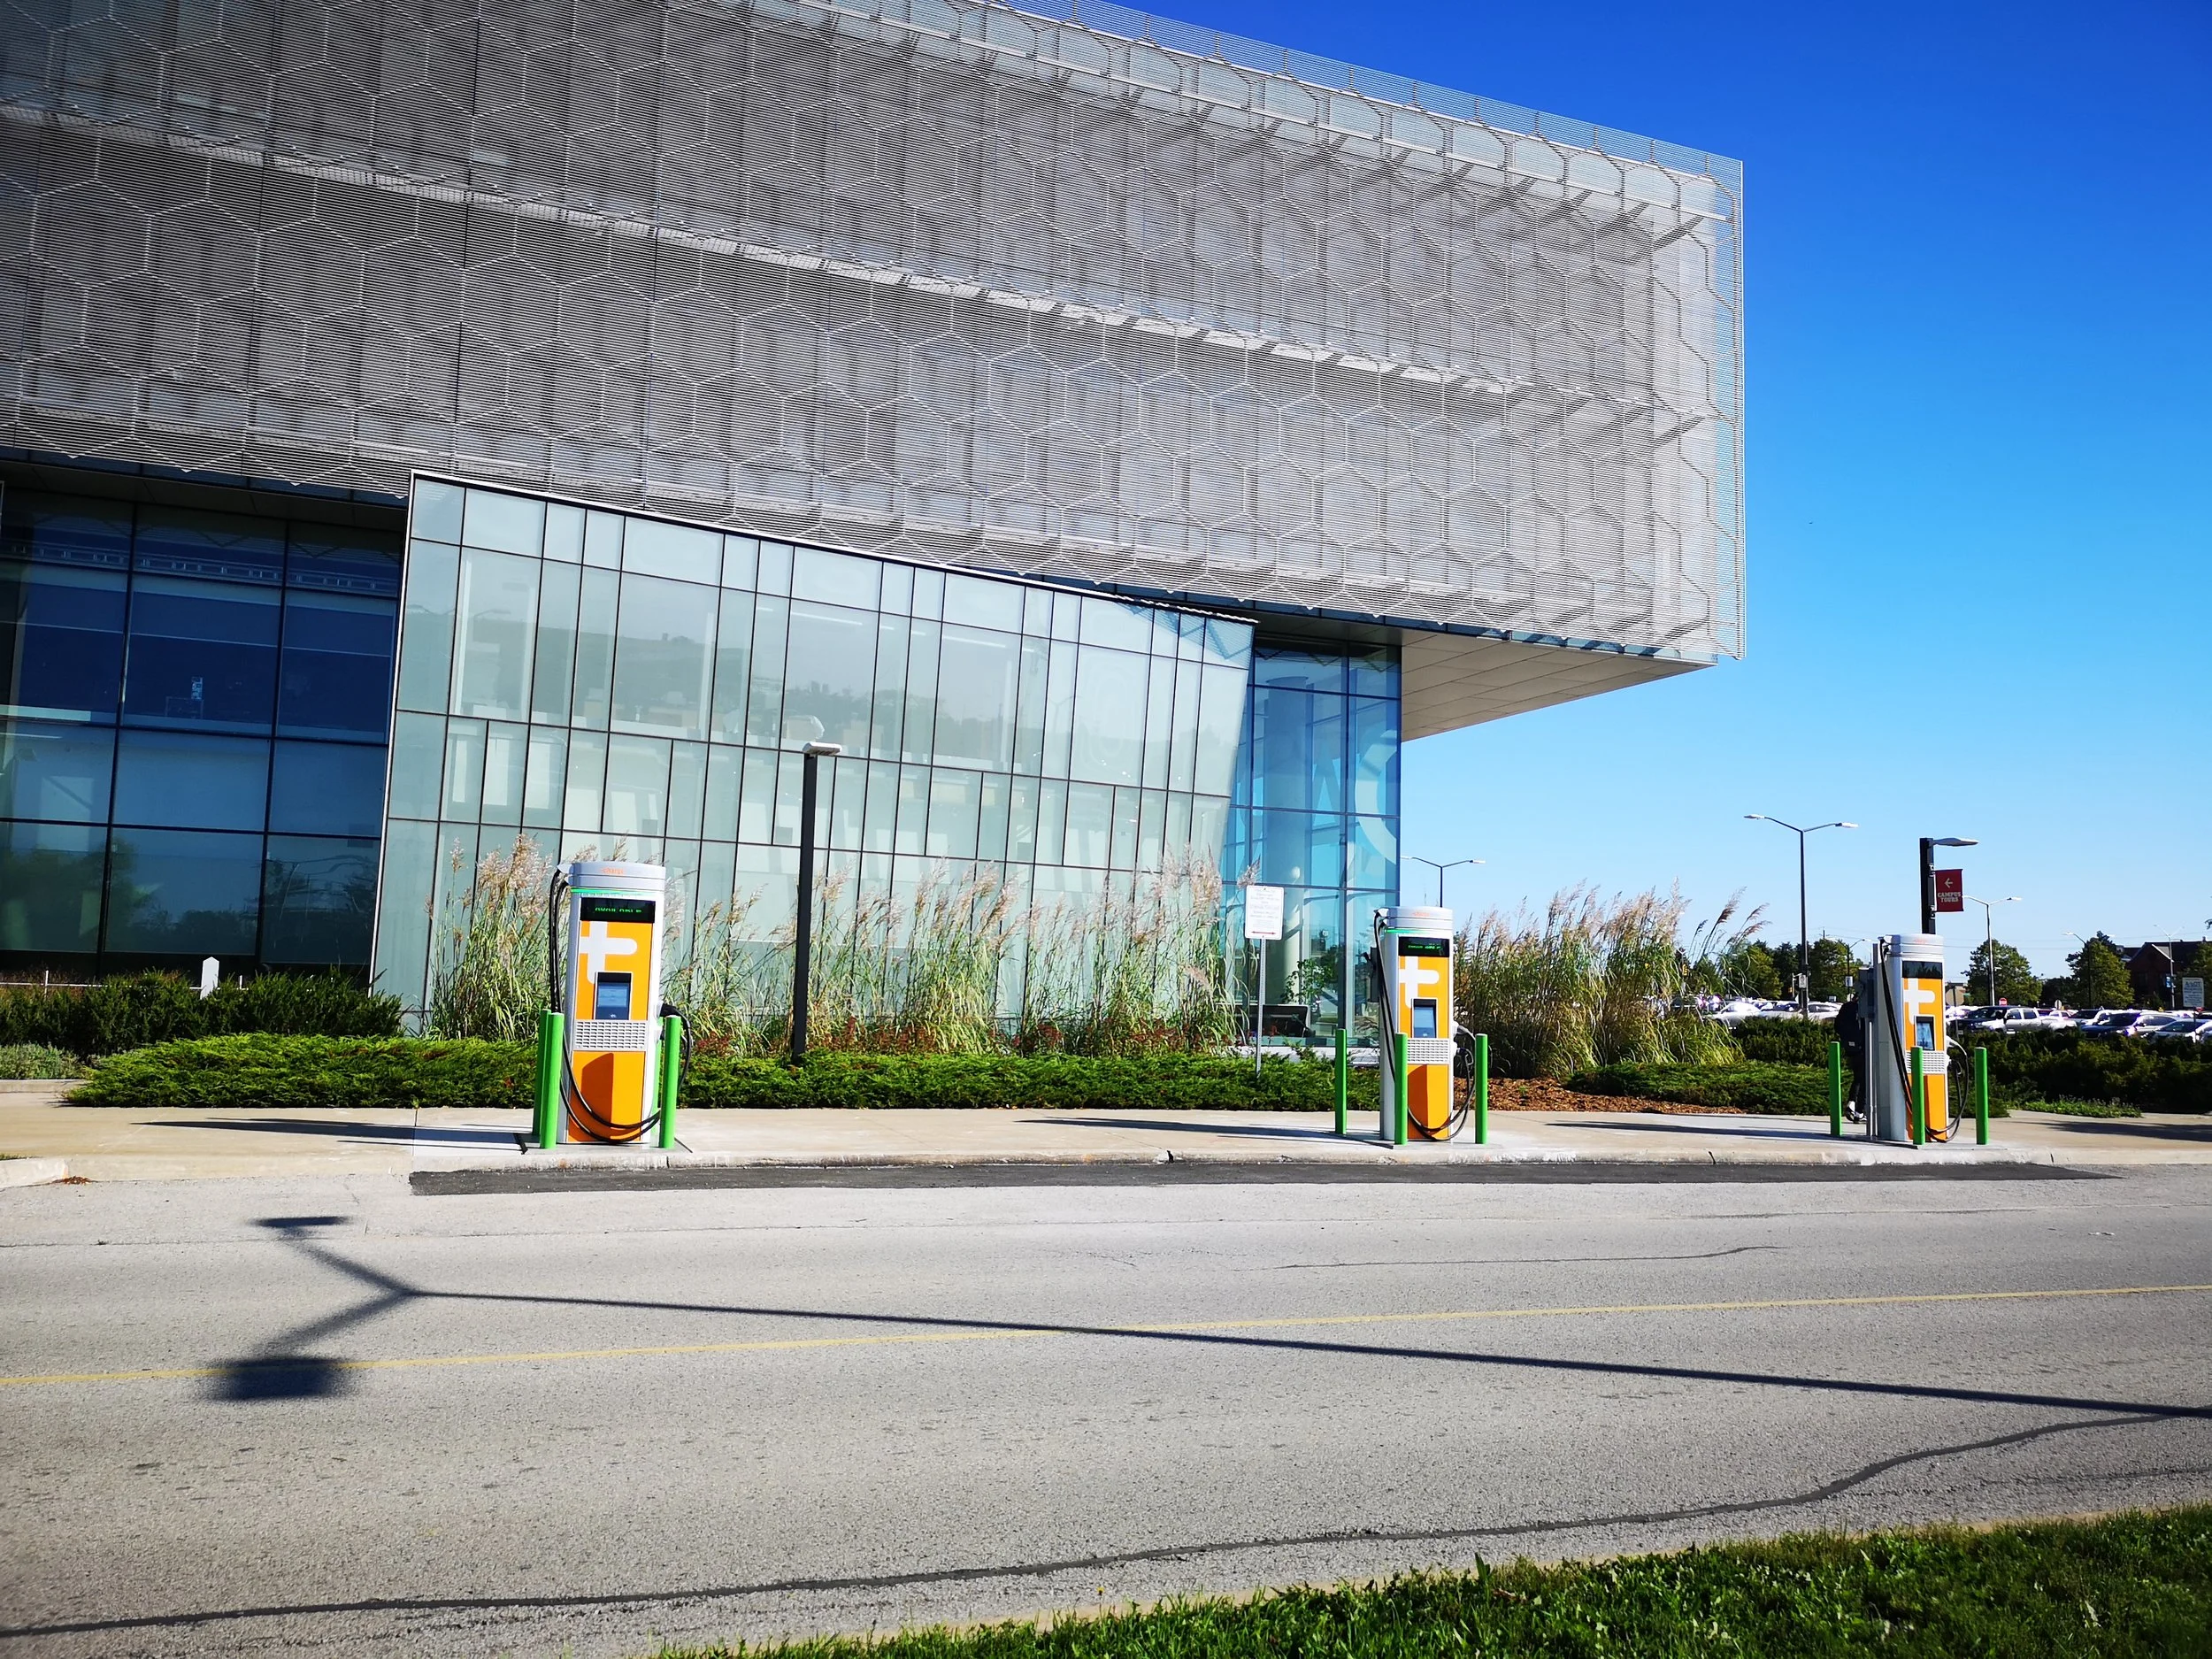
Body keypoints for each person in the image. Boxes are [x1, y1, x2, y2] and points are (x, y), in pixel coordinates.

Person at [1833, 995, 1865, 1122]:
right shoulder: (1864, 1008)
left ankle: (1852, 1103)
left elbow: (1837, 1026)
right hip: (1864, 1046)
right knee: (1864, 1079)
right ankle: (1860, 1111)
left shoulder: (1846, 1007)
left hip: (1850, 1047)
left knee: (1857, 1077)